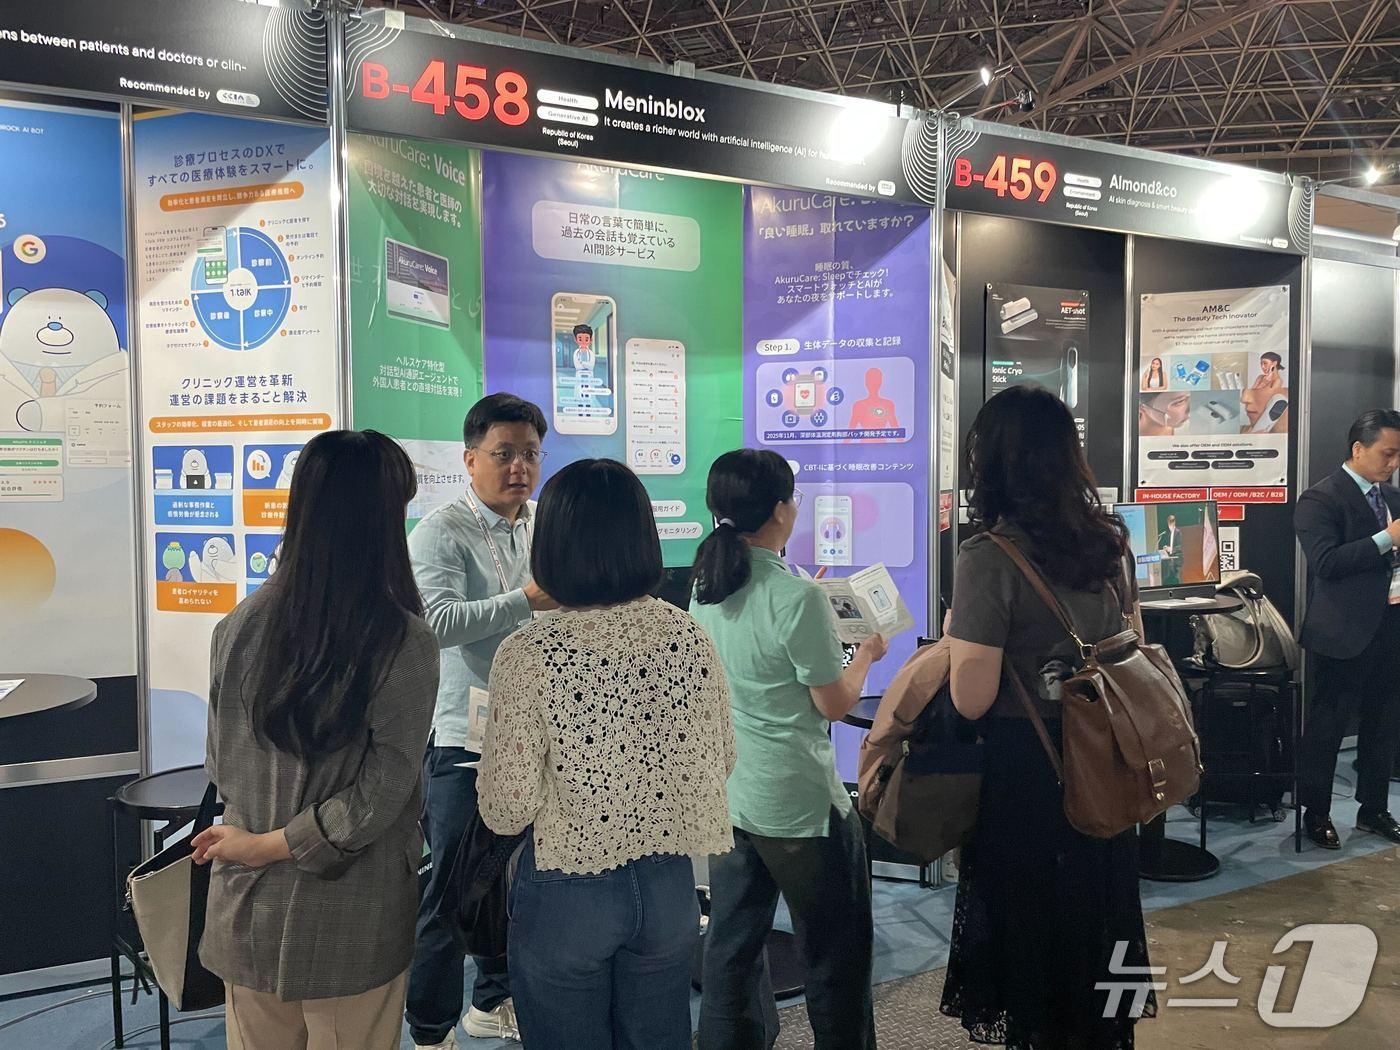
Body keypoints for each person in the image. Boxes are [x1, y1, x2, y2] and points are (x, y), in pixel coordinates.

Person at [193, 430, 439, 1049]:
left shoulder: (239, 625)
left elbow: (221, 765)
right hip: (353, 916)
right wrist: (279, 844)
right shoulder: (403, 641)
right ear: (384, 520)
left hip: (249, 904)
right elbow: (381, 795)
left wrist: (260, 843)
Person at [478, 458, 736, 1049]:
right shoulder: (686, 634)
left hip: (566, 889)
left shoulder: (529, 652)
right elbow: (721, 759)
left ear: (551, 544)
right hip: (669, 885)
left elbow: (506, 810)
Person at [941, 386, 1154, 1049]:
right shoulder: (1110, 543)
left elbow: (971, 698)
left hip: (1030, 772)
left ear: (991, 463)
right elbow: (1132, 646)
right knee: (1097, 914)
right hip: (1107, 760)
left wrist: (955, 638)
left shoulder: (989, 557)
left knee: (1032, 931)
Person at [691, 449, 887, 1050]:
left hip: (733, 795)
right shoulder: (794, 597)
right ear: (780, 510)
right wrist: (865, 656)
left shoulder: (705, 586)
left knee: (731, 951)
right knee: (835, 956)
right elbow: (833, 703)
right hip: (800, 805)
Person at [407, 393, 558, 1049]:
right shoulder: (440, 531)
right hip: (463, 740)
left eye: (530, 454)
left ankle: (492, 1001)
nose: (519, 467)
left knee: (513, 885)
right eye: (504, 454)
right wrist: (525, 600)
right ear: (470, 460)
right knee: (451, 890)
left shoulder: (543, 525)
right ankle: (429, 1028)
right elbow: (434, 624)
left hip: (535, 729)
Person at [1295, 409, 1400, 850]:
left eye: (1398, 455)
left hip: (1390, 626)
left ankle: (1373, 809)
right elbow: (1327, 563)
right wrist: (1387, 539)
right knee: (1328, 727)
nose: (1393, 463)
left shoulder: (1391, 496)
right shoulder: (1320, 499)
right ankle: (1316, 813)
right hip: (1342, 632)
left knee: (1383, 723)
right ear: (1358, 449)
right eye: (1387, 454)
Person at [1156, 513, 1183, 586]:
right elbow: (1171, 546)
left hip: (1177, 562)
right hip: (1171, 562)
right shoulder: (1169, 533)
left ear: (1174, 522)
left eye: (1171, 523)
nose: (1170, 525)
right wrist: (1166, 548)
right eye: (1169, 523)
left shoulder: (1178, 532)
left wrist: (1171, 549)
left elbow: (1181, 546)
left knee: (1178, 581)